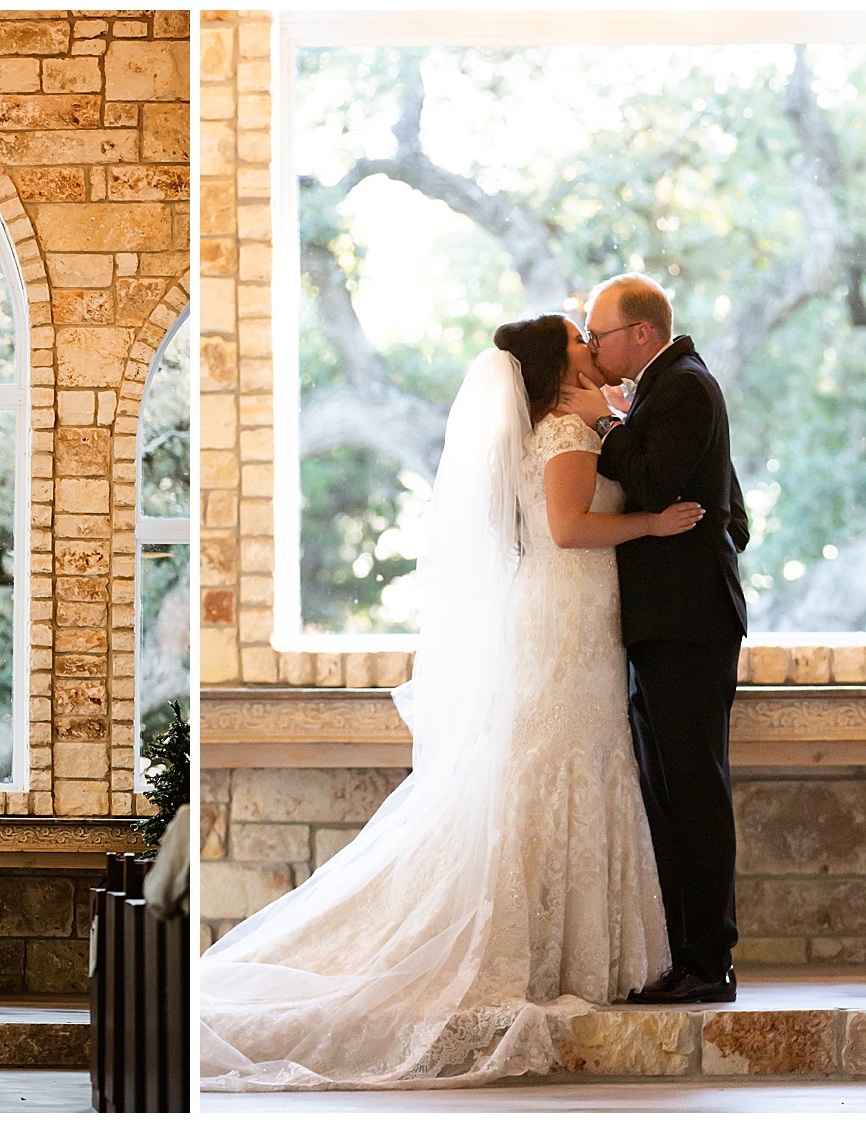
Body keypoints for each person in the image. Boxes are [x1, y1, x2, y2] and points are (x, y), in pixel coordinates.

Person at [201, 316, 703, 1091]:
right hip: (565, 614)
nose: (588, 340)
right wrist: (652, 522)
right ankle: (535, 946)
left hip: (571, 612)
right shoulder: (564, 428)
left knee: (565, 755)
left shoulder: (565, 421)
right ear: (556, 360)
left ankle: (564, 944)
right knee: (553, 758)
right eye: (578, 336)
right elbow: (569, 528)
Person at [560, 272, 748, 1004]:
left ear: (641, 333)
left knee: (694, 788)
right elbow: (735, 512)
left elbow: (661, 482)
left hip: (689, 625)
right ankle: (687, 953)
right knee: (670, 790)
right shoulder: (664, 390)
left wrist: (606, 427)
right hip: (670, 622)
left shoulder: (685, 388)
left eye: (600, 331)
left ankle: (710, 961)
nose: (594, 343)